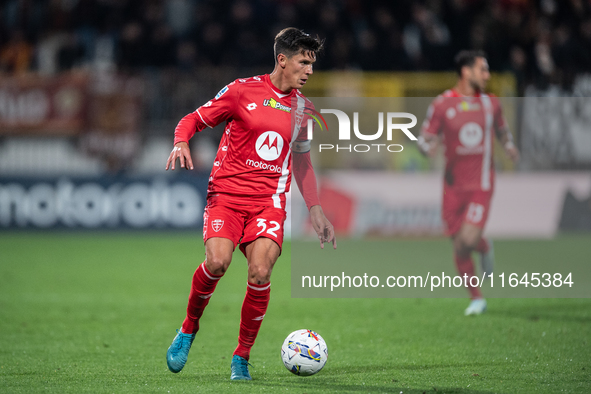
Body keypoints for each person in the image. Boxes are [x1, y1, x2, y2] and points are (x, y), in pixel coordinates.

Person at [164, 27, 336, 381]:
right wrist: (181, 141)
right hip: (226, 197)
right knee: (217, 262)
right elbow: (193, 119)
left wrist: (316, 208)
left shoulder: (304, 108)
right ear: (282, 60)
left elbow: (301, 162)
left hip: (268, 203)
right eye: (304, 62)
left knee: (260, 271)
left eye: (313, 64)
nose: (309, 71)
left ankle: (241, 357)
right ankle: (188, 327)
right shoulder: (242, 91)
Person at [418, 50, 519, 316]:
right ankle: (477, 295)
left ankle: (480, 253)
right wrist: (426, 147)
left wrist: (508, 145)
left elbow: (502, 129)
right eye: (482, 70)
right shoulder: (442, 104)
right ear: (466, 71)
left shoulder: (491, 103)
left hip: (481, 185)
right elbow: (424, 136)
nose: (487, 75)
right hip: (452, 187)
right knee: (460, 244)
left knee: (465, 241)